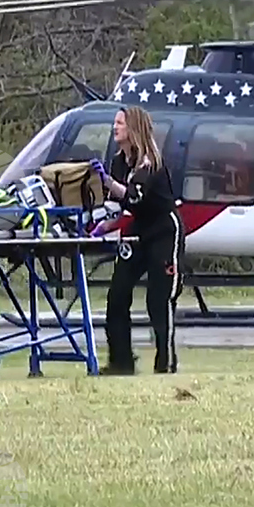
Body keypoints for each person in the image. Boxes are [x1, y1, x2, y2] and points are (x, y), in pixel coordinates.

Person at [90, 106, 186, 375]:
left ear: (133, 129)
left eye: (120, 123)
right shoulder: (119, 161)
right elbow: (119, 206)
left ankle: (165, 362)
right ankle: (121, 361)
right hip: (135, 231)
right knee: (117, 295)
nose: (115, 127)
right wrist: (103, 224)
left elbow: (133, 196)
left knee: (159, 299)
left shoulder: (150, 163)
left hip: (163, 231)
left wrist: (107, 181)